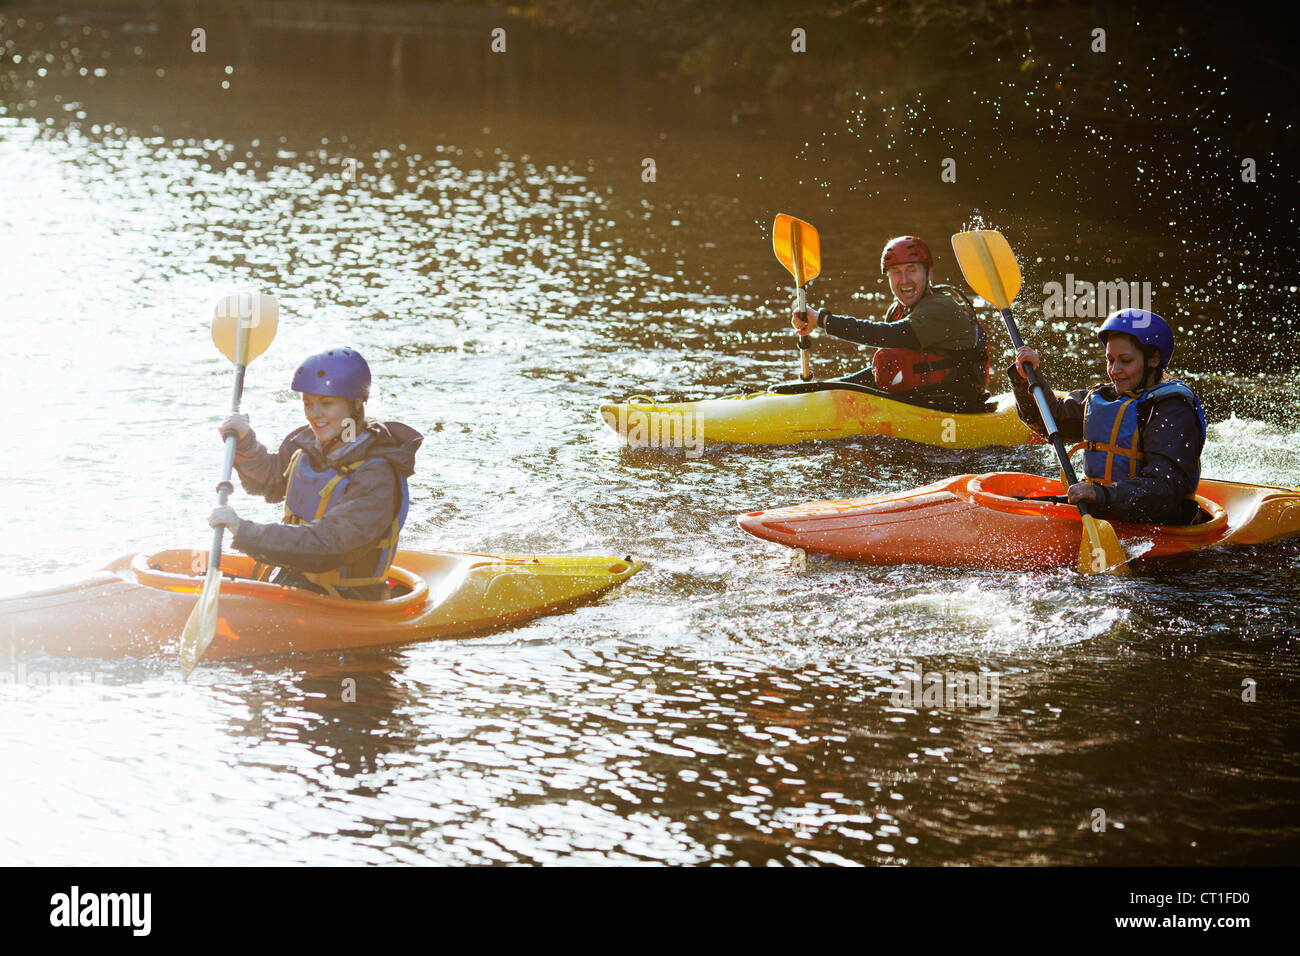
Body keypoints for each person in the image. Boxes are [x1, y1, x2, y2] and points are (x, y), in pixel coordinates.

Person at [208, 347, 423, 600]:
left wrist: (243, 530)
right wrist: (245, 444)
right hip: (298, 582)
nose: (314, 415)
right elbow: (270, 482)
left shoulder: (377, 474)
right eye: (308, 404)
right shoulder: (309, 444)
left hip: (349, 599)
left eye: (326, 403)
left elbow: (328, 545)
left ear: (355, 404)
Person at [1011, 309, 1206, 525]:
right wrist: (1027, 378)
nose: (1114, 370)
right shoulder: (1107, 397)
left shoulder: (1173, 410)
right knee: (1014, 504)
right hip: (1103, 508)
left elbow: (1165, 488)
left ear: (1153, 359)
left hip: (1158, 522)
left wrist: (1100, 495)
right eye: (1110, 360)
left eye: (1125, 360)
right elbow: (1052, 421)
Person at [791, 235, 991, 404]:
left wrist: (824, 320)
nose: (904, 280)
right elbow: (884, 370)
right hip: (924, 399)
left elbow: (890, 335)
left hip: (958, 404)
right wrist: (826, 388)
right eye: (895, 272)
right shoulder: (897, 311)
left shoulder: (940, 307)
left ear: (929, 273)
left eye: (912, 269)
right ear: (887, 277)